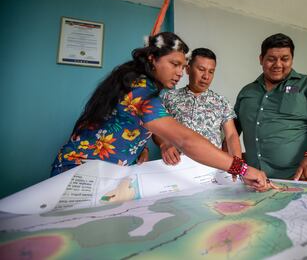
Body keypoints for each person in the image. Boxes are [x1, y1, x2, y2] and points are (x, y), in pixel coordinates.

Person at [51, 32, 271, 191]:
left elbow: (126, 123)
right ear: (152, 59)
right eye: (174, 64)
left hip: (107, 172)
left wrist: (139, 147)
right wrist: (241, 168)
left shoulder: (142, 86)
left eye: (181, 65)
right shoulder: (141, 91)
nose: (179, 73)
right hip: (80, 172)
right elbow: (185, 140)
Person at [235, 33, 307, 180]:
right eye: (271, 59)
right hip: (254, 178)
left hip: (299, 176)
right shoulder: (247, 92)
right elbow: (231, 128)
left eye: (285, 59)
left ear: (292, 59)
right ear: (261, 59)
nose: (278, 64)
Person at [156, 48, 241, 165]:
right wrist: (164, 143)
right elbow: (156, 129)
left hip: (212, 167)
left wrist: (238, 165)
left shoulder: (221, 102)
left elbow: (231, 135)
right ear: (188, 69)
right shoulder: (168, 97)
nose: (206, 76)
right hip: (176, 166)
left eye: (211, 71)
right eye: (201, 69)